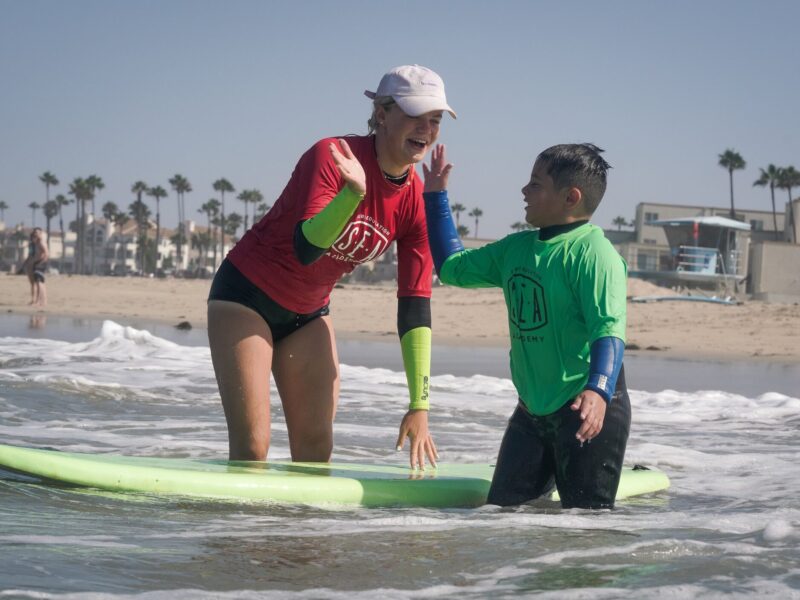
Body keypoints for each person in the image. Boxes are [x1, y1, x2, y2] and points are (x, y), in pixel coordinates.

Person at [207, 65, 457, 468]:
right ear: (381, 114)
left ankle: (303, 534)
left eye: (436, 120)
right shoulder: (333, 155)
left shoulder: (415, 200)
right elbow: (307, 246)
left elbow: (415, 304)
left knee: (315, 452)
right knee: (253, 447)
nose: (426, 129)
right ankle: (240, 533)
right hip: (245, 297)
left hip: (308, 313)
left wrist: (419, 404)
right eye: (415, 115)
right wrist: (352, 194)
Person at [422, 143, 631, 509]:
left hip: (586, 407)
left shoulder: (595, 254)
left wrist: (598, 390)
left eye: (535, 184)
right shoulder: (514, 249)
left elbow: (608, 329)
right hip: (532, 411)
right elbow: (451, 267)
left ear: (570, 197)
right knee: (503, 516)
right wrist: (436, 196)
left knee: (586, 533)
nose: (523, 190)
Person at [23, 228, 48, 308]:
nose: (35, 235)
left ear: (41, 233)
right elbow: (30, 255)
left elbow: (46, 253)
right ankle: (38, 301)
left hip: (40, 264)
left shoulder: (41, 242)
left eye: (37, 233)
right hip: (34, 264)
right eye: (34, 234)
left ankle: (40, 301)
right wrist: (26, 263)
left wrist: (40, 262)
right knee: (38, 283)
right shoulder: (34, 244)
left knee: (39, 283)